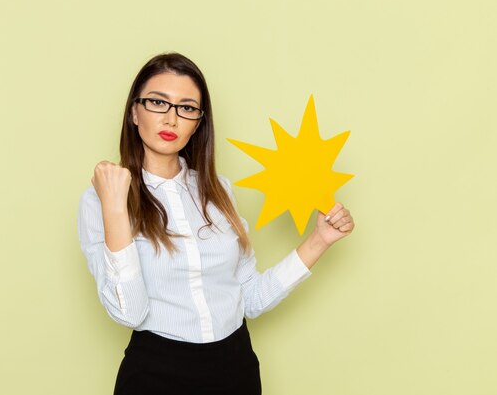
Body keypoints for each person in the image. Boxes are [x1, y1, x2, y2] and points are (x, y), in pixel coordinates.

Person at [77, 52, 355, 395]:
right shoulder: (101, 200)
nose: (172, 119)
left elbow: (247, 298)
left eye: (187, 108)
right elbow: (130, 313)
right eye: (157, 103)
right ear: (134, 111)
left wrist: (320, 239)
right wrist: (117, 207)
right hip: (155, 373)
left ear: (198, 122)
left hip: (234, 367)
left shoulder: (218, 190)